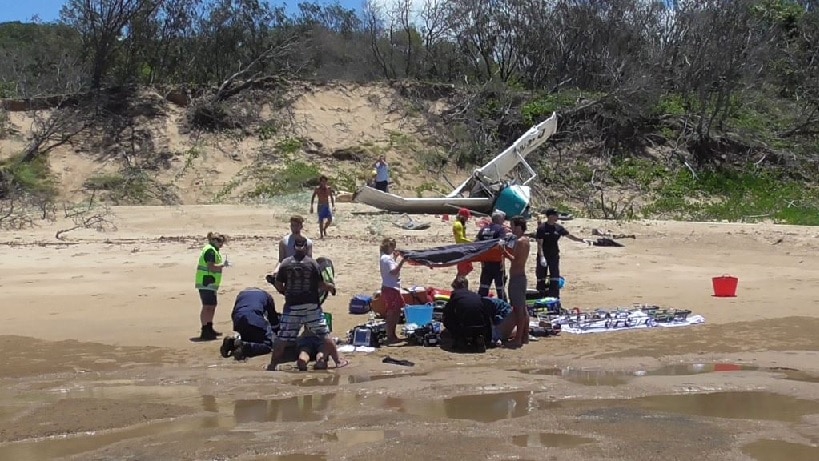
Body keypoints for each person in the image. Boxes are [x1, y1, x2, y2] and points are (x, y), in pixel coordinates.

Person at [267, 235, 335, 371]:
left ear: (294, 247)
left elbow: (279, 285)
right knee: (325, 335)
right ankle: (337, 362)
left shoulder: (285, 263)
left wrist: (286, 292)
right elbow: (321, 284)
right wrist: (332, 288)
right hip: (311, 305)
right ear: (306, 248)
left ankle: (273, 365)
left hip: (293, 306)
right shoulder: (312, 264)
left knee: (283, 338)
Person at [536, 208, 588, 298]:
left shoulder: (558, 227)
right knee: (541, 277)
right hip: (544, 255)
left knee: (554, 276)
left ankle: (554, 297)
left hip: (554, 255)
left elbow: (569, 235)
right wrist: (541, 256)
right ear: (550, 216)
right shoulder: (542, 228)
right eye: (555, 215)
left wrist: (581, 240)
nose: (557, 217)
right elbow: (539, 244)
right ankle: (541, 296)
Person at [222, 288, 279, 360]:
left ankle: (231, 343)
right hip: (253, 316)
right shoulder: (267, 297)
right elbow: (273, 320)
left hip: (238, 317)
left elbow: (236, 311)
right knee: (268, 345)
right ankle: (245, 347)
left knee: (246, 337)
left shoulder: (241, 294)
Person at [194, 232, 230, 341]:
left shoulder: (213, 250)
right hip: (206, 283)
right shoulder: (210, 251)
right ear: (214, 241)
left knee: (212, 306)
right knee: (207, 306)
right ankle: (205, 330)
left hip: (210, 283)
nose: (222, 245)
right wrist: (223, 265)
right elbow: (211, 267)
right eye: (220, 242)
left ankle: (209, 327)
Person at [442, 276, 493, 351]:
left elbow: (447, 312)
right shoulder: (476, 295)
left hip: (465, 328)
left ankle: (460, 339)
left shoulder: (455, 295)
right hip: (481, 328)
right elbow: (486, 315)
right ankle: (478, 338)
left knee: (447, 317)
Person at [505, 216, 530, 348]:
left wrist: (503, 252)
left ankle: (518, 338)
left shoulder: (520, 241)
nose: (512, 229)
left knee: (518, 309)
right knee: (523, 308)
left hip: (517, 278)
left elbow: (514, 259)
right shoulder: (525, 240)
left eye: (513, 226)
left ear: (519, 227)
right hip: (520, 277)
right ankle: (524, 336)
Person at [475, 210, 508, 300]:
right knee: (500, 289)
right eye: (503, 219)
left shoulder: (483, 229)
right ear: (500, 219)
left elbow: (476, 243)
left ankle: (481, 306)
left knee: (483, 288)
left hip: (485, 263)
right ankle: (504, 308)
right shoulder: (500, 229)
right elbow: (501, 244)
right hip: (497, 263)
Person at [379, 237, 406, 344]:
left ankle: (391, 334)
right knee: (393, 312)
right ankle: (391, 335)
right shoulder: (386, 258)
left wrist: (395, 258)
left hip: (390, 287)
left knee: (395, 311)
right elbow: (394, 272)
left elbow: (391, 269)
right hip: (391, 289)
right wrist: (403, 261)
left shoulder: (385, 258)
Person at [452, 208, 474, 277]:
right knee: (463, 269)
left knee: (468, 268)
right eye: (466, 217)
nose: (467, 219)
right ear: (462, 217)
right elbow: (460, 239)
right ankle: (457, 282)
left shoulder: (460, 224)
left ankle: (459, 281)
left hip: (463, 247)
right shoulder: (458, 225)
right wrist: (472, 243)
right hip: (461, 249)